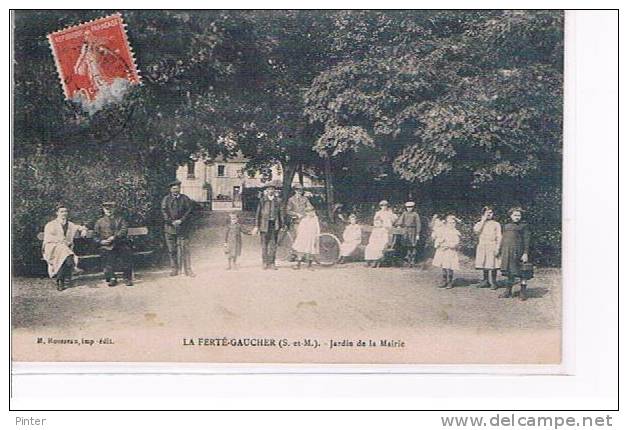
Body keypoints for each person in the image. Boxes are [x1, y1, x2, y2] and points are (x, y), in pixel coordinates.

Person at [42, 205, 88, 291]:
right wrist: (62, 242)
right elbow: (48, 238)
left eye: (65, 211)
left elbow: (80, 227)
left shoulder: (70, 224)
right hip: (52, 247)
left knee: (64, 254)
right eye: (61, 212)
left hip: (65, 250)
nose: (64, 213)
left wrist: (83, 230)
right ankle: (73, 266)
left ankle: (60, 281)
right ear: (57, 213)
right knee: (63, 251)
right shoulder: (51, 224)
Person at [93, 201, 134, 287]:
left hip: (120, 243)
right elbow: (95, 236)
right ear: (103, 210)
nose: (109, 210)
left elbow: (124, 230)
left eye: (111, 208)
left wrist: (114, 237)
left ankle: (127, 278)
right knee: (107, 255)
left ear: (114, 209)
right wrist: (101, 241)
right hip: (106, 245)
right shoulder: (99, 222)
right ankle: (112, 278)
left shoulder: (120, 219)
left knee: (126, 253)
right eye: (106, 209)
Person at [161, 180, 195, 277]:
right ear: (170, 189)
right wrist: (171, 222)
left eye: (177, 188)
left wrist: (181, 220)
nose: (176, 190)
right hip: (169, 229)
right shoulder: (166, 199)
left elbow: (189, 211)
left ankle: (188, 270)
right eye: (173, 188)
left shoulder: (185, 199)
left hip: (182, 228)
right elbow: (164, 212)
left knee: (185, 249)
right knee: (172, 250)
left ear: (180, 189)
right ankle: (174, 269)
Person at [498, 207, 532, 300]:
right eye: (515, 215)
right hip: (507, 252)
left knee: (522, 272)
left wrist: (525, 253)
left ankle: (523, 292)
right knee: (509, 272)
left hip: (518, 252)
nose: (517, 217)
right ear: (511, 216)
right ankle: (508, 291)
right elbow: (503, 239)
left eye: (519, 215)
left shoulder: (523, 226)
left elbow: (526, 240)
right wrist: (500, 250)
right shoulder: (506, 226)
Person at [253, 181, 283, 270]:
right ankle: (265, 262)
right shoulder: (262, 200)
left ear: (275, 190)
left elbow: (281, 213)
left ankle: (272, 263)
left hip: (275, 225)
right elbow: (258, 214)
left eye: (272, 189)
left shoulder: (278, 200)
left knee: (273, 245)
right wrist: (256, 225)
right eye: (269, 189)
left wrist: (282, 225)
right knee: (264, 245)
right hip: (264, 225)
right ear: (266, 190)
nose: (271, 191)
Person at [473, 206, 502, 289]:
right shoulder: (480, 223)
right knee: (484, 263)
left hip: (492, 245)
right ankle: (485, 281)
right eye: (487, 213)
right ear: (483, 214)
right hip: (482, 245)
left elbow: (499, 236)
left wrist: (498, 247)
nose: (489, 214)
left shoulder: (496, 224)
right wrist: (483, 220)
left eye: (491, 213)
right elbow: (476, 231)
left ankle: (493, 281)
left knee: (493, 264)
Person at [432, 214, 461, 289]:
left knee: (450, 266)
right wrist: (440, 244)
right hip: (443, 250)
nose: (452, 224)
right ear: (446, 223)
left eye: (453, 223)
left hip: (450, 251)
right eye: (450, 223)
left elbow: (456, 242)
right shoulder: (442, 230)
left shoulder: (455, 232)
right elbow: (437, 238)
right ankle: (444, 280)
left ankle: (450, 281)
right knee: (444, 266)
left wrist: (450, 245)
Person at [394, 201, 422, 266]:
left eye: (411, 207)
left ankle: (413, 259)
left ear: (413, 207)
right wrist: (399, 225)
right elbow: (400, 221)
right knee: (406, 245)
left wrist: (417, 233)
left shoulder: (415, 214)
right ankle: (408, 258)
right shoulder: (404, 214)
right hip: (406, 230)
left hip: (413, 230)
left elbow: (418, 224)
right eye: (408, 207)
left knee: (413, 245)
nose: (409, 208)